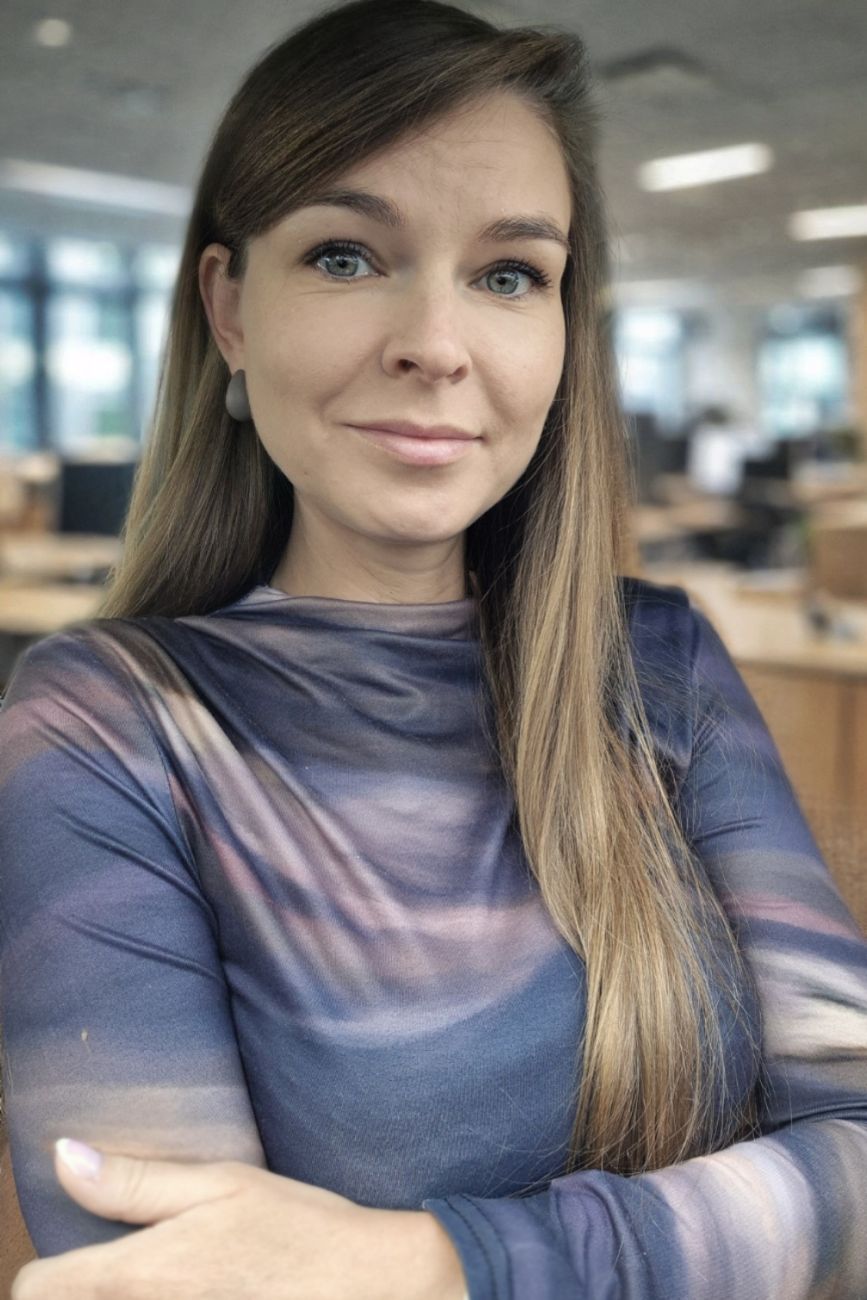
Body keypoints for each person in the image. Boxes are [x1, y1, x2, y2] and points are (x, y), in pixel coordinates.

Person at [1, 0, 866, 1295]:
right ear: (229, 308)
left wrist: (433, 1263)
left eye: (509, 274)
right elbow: (177, 1279)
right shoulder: (109, 726)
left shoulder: (659, 664)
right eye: (348, 255)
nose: (436, 346)